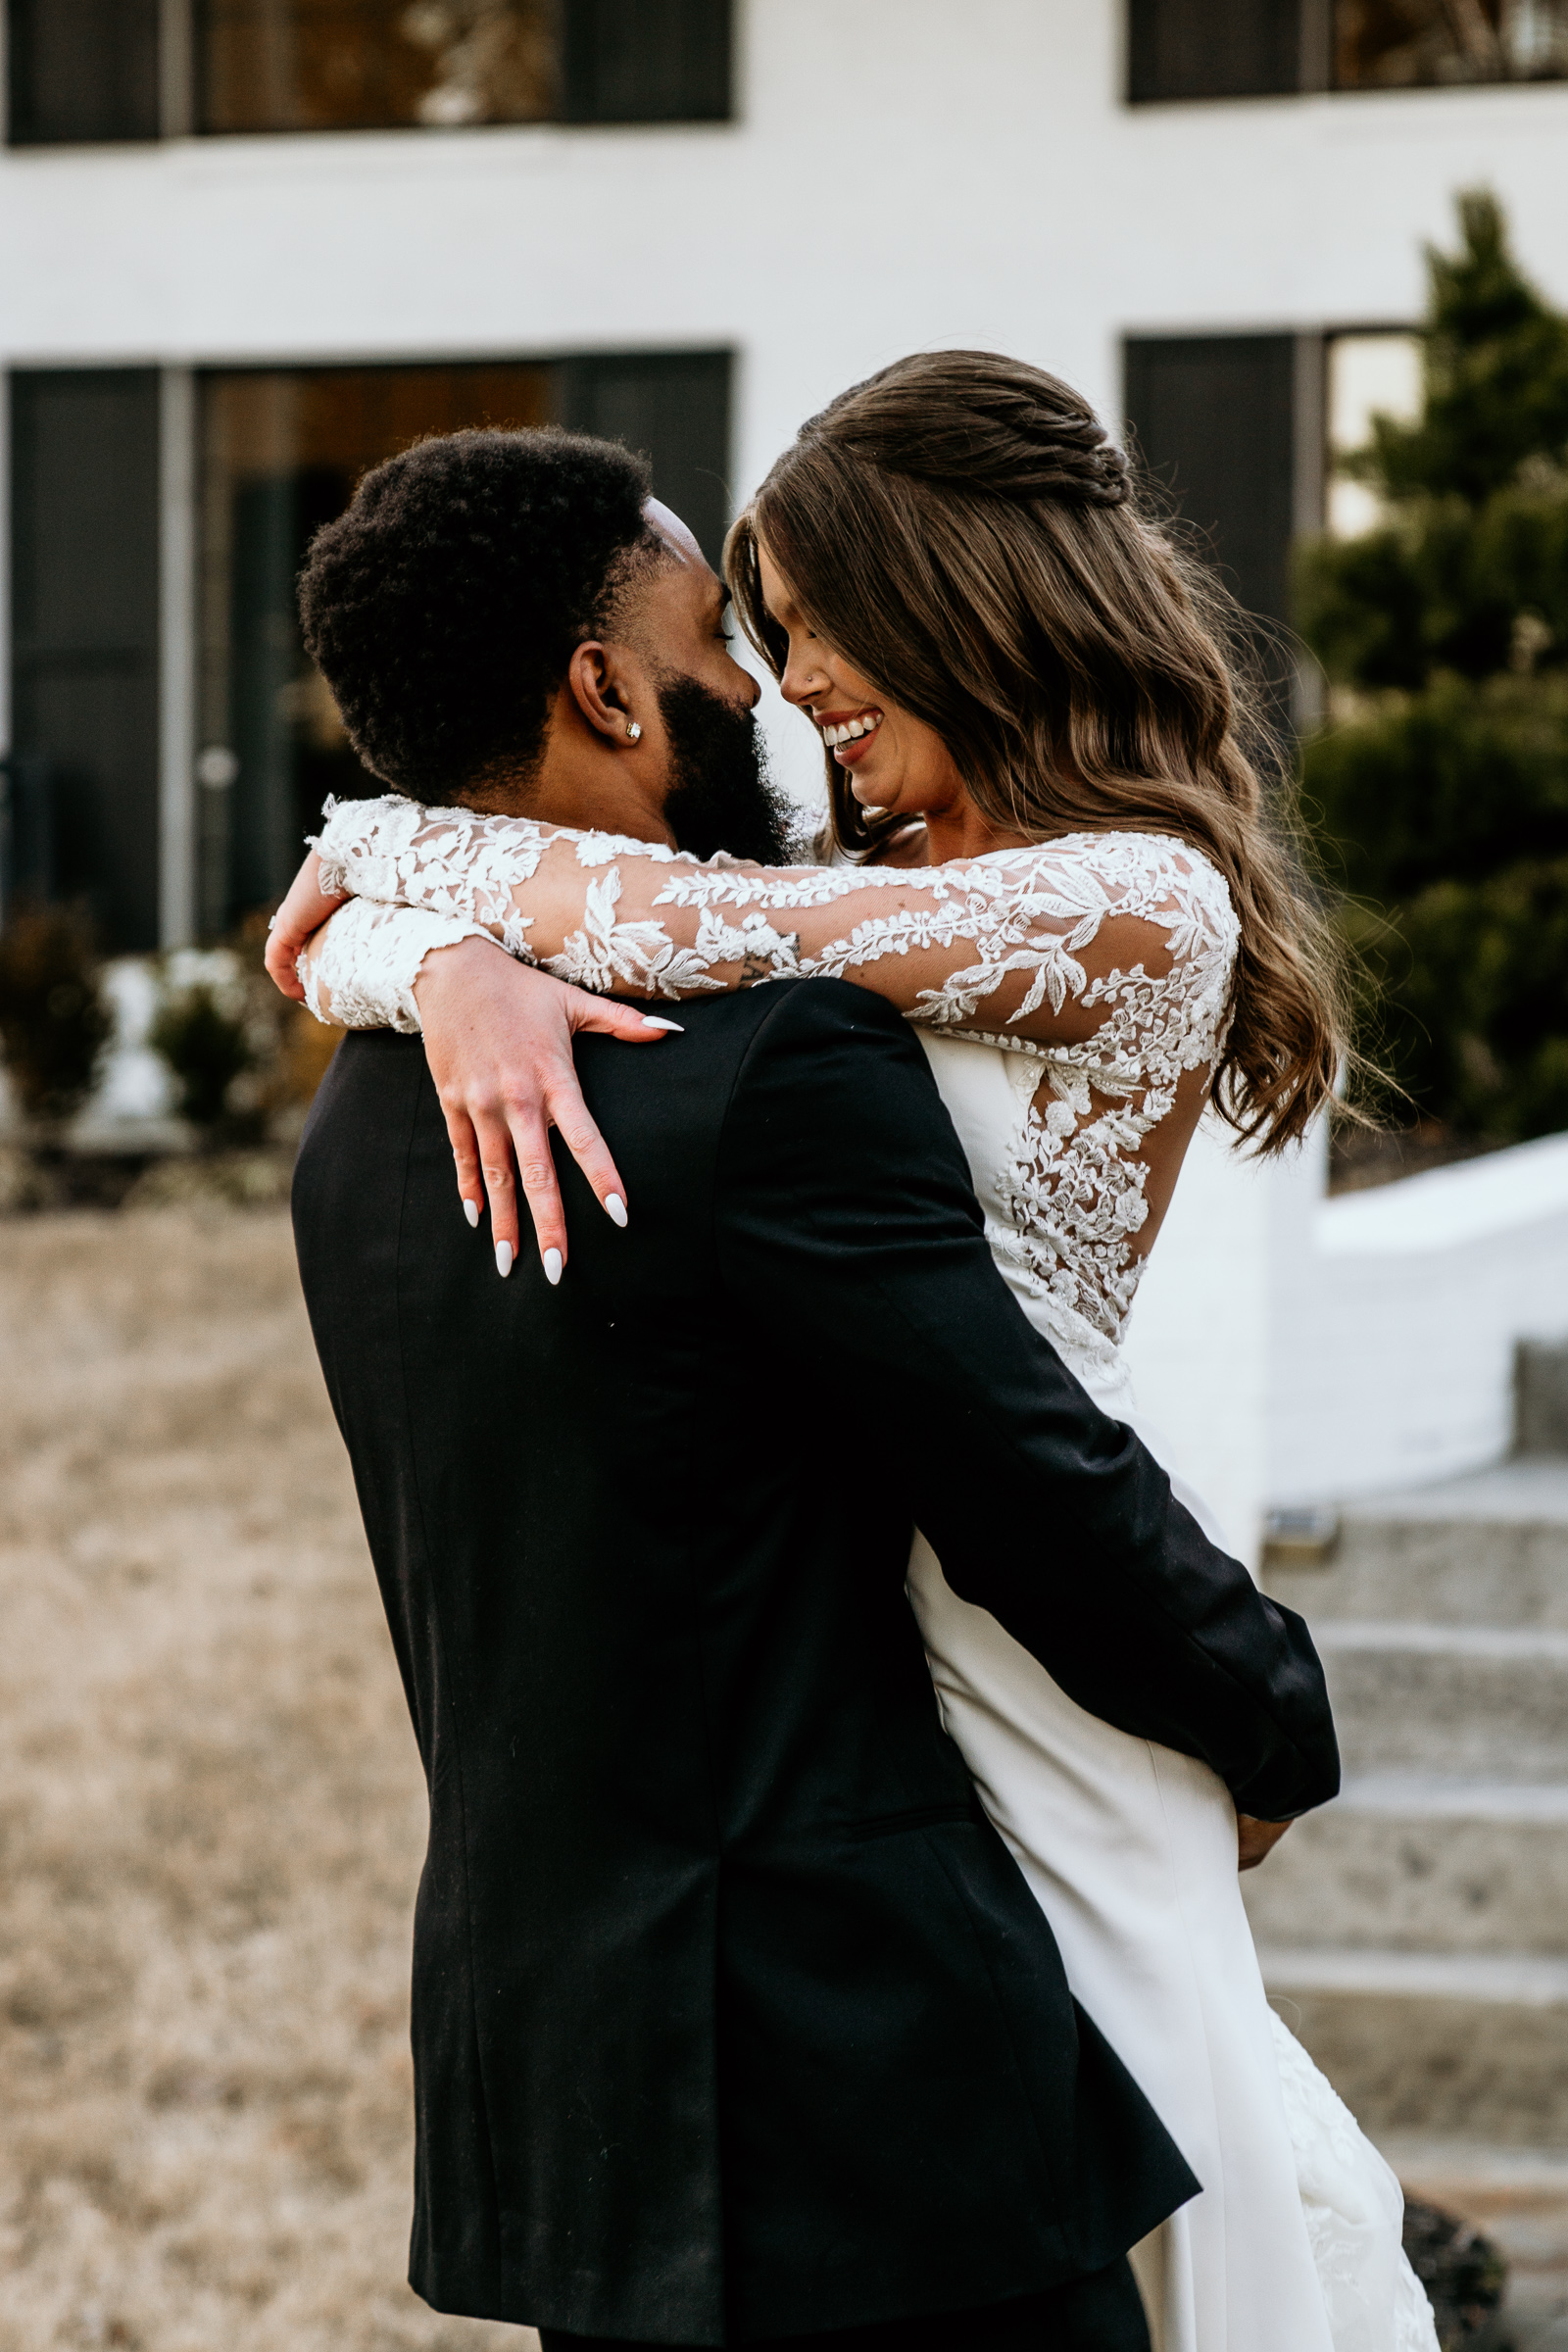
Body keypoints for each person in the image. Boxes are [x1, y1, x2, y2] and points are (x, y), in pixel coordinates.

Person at [265, 384, 1410, 2349]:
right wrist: (1263, 1699)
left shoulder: (363, 1132)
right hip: (846, 1968)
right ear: (608, 696)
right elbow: (1000, 1462)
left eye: (799, 627)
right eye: (736, 636)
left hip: (593, 2028)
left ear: (947, 599)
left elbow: (685, 923)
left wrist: (406, 917)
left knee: (1226, 2173)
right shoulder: (758, 1027)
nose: (776, 690)